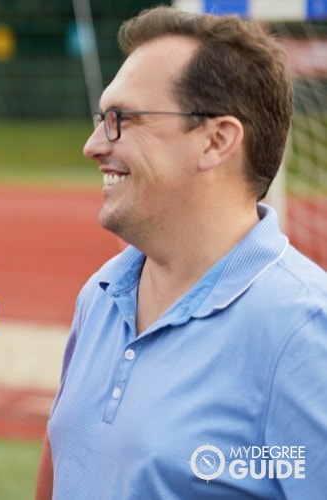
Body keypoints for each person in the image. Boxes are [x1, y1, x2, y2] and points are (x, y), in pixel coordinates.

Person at [36, 6, 327, 499]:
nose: (92, 145)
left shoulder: (303, 331)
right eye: (101, 119)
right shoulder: (101, 295)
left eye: (121, 120)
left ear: (216, 140)